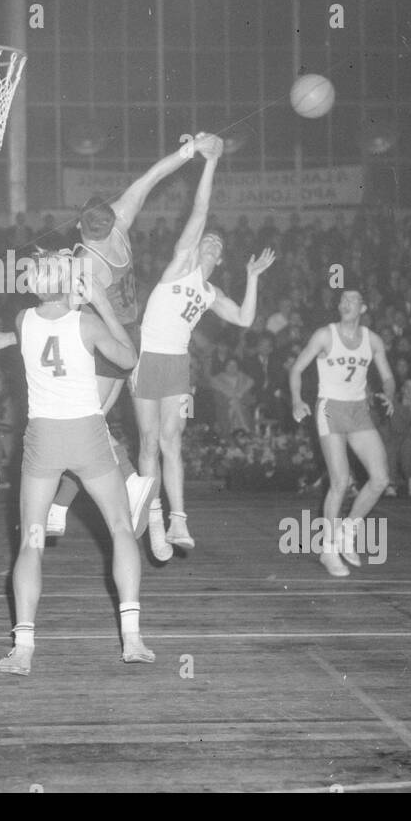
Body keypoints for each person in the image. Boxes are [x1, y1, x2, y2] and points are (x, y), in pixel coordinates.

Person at [45, 135, 226, 538]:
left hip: (106, 339)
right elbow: (152, 176)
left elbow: (65, 307)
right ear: (110, 218)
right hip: (132, 338)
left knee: (83, 422)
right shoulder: (122, 223)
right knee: (91, 422)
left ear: (78, 226)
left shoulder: (85, 260)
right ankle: (67, 505)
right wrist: (189, 152)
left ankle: (107, 489)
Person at [0, 254, 153, 676]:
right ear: (70, 284)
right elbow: (128, 359)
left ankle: (23, 646)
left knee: (31, 539)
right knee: (121, 528)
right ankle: (132, 638)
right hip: (86, 433)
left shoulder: (22, 319)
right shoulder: (87, 324)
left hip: (43, 436)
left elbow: (30, 328)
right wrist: (100, 302)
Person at [132, 135, 276, 559]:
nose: (210, 244)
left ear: (220, 257)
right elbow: (199, 211)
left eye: (217, 245)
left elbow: (247, 319)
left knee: (172, 440)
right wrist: (210, 162)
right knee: (147, 441)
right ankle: (153, 520)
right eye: (207, 241)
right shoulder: (180, 263)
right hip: (147, 357)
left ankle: (179, 521)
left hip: (177, 364)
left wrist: (252, 278)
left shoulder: (211, 292)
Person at [288, 290, 396, 577]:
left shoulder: (372, 339)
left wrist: (389, 394)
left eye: (352, 300)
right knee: (341, 480)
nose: (345, 303)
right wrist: (297, 400)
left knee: (381, 478)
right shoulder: (325, 335)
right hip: (329, 408)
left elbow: (387, 377)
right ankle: (328, 550)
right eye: (342, 300)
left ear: (363, 306)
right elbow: (296, 369)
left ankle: (348, 531)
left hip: (358, 409)